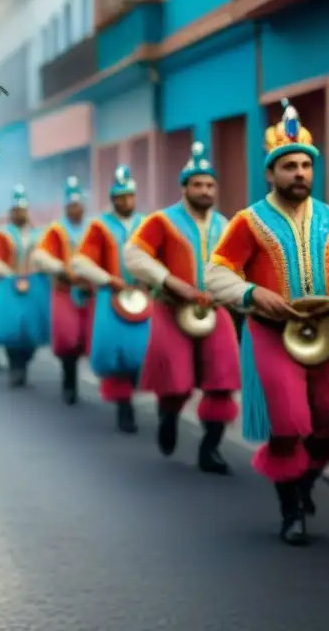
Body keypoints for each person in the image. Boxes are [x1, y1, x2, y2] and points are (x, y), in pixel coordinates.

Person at [205, 99, 329, 546]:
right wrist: (252, 293)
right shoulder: (247, 222)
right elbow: (217, 272)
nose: (299, 173)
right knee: (288, 422)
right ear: (270, 174)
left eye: (305, 165)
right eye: (289, 166)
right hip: (270, 334)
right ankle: (290, 508)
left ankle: (306, 479)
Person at [124, 142, 239, 473]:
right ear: (185, 187)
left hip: (215, 312)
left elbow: (242, 263)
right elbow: (134, 255)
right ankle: (169, 417)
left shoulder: (226, 224)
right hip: (171, 310)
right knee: (175, 379)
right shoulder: (161, 220)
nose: (205, 190)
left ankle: (210, 448)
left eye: (209, 185)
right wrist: (171, 282)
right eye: (198, 184)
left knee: (223, 379)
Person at [31, 176, 92, 405]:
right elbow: (40, 255)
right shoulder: (56, 230)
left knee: (89, 337)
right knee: (68, 340)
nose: (75, 210)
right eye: (71, 206)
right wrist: (58, 268)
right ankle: (69, 381)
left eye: (78, 205)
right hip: (65, 291)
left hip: (89, 291)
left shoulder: (92, 227)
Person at [0, 185, 49, 386]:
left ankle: (24, 362)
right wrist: (7, 273)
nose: (19, 214)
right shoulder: (2, 234)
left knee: (31, 330)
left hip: (33, 285)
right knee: (11, 329)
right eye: (15, 211)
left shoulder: (38, 234)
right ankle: (15, 366)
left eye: (22, 210)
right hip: (9, 284)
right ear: (10, 213)